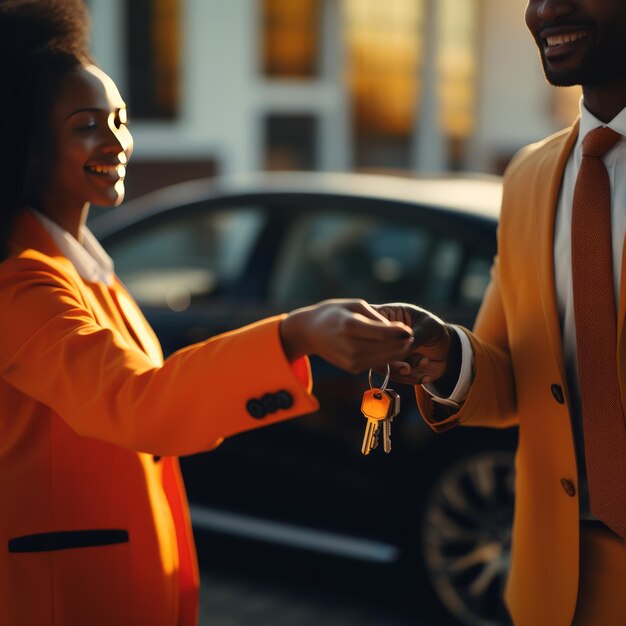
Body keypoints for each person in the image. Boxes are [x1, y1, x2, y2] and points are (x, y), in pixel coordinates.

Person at [0, 2, 415, 625]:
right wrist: (293, 332)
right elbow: (141, 404)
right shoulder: (23, 288)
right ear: (27, 142)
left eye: (119, 118)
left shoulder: (83, 269)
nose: (116, 141)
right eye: (86, 124)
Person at [379, 1, 626, 624]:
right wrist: (445, 354)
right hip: (557, 584)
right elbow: (509, 379)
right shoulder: (527, 176)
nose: (544, 10)